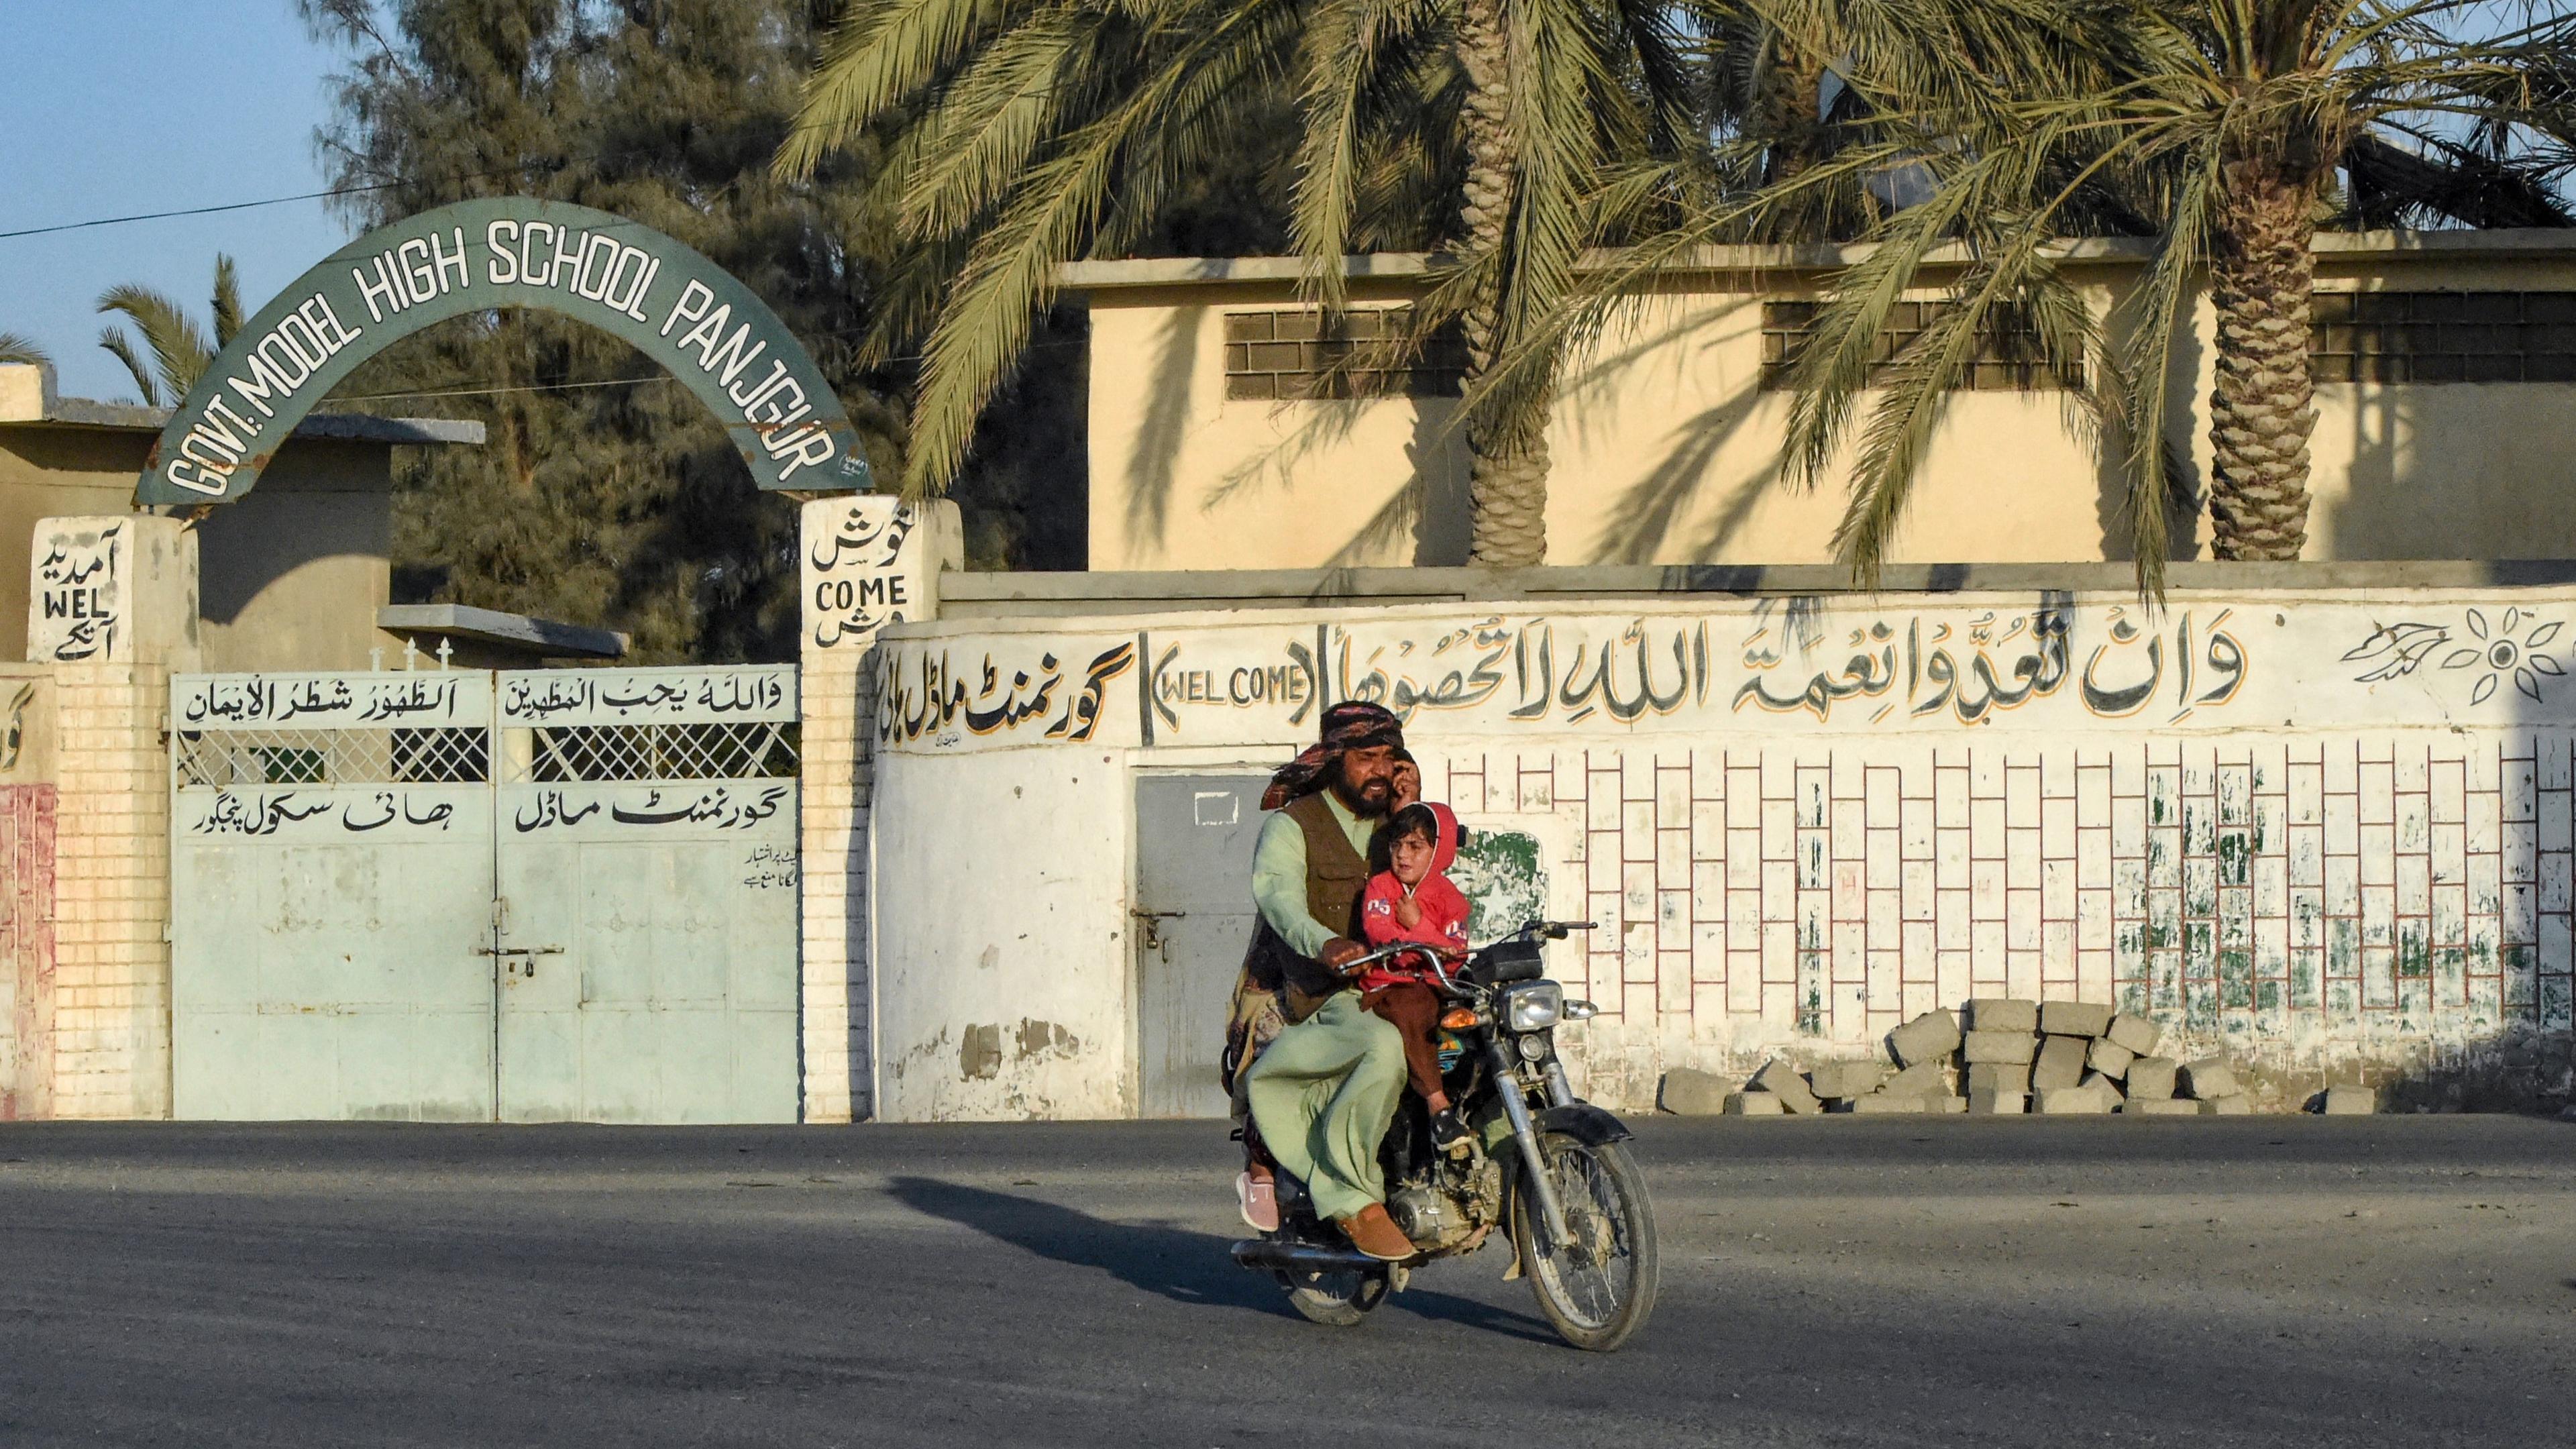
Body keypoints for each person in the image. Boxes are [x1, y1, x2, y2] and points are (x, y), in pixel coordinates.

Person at [1225, 701, 1417, 1262]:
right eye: (1365, 758)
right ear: (1336, 760)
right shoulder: (1293, 826)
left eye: (1389, 758)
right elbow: (1280, 900)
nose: (1379, 770)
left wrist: (1413, 808)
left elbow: (1436, 881)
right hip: (1321, 993)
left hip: (1395, 984)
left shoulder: (1400, 823)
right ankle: (1351, 1197)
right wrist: (1324, 943)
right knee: (1385, 1046)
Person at [1354, 802, 1474, 1155]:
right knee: (1414, 1010)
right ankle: (1439, 1108)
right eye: (1397, 846)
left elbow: (1457, 954)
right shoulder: (1380, 888)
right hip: (1390, 987)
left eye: (1415, 847)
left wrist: (1418, 927)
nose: (1403, 856)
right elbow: (1381, 935)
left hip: (1437, 986)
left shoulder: (1451, 897)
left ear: (1438, 851)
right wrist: (1425, 941)